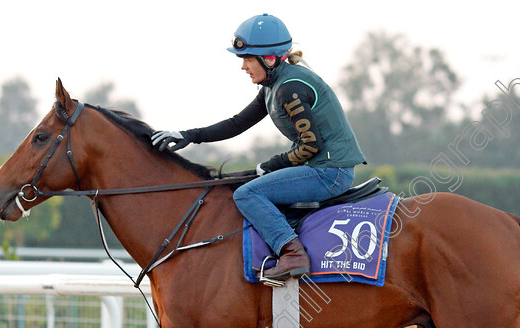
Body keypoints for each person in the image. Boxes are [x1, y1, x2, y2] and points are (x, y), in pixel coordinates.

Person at [151, 13, 366, 282]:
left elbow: (310, 145)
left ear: (270, 59)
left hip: (330, 172)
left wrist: (268, 166)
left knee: (246, 194)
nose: (243, 66)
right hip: (318, 167)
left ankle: (293, 254)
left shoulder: (290, 88)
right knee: (237, 181)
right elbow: (237, 123)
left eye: (248, 59)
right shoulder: (272, 85)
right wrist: (188, 135)